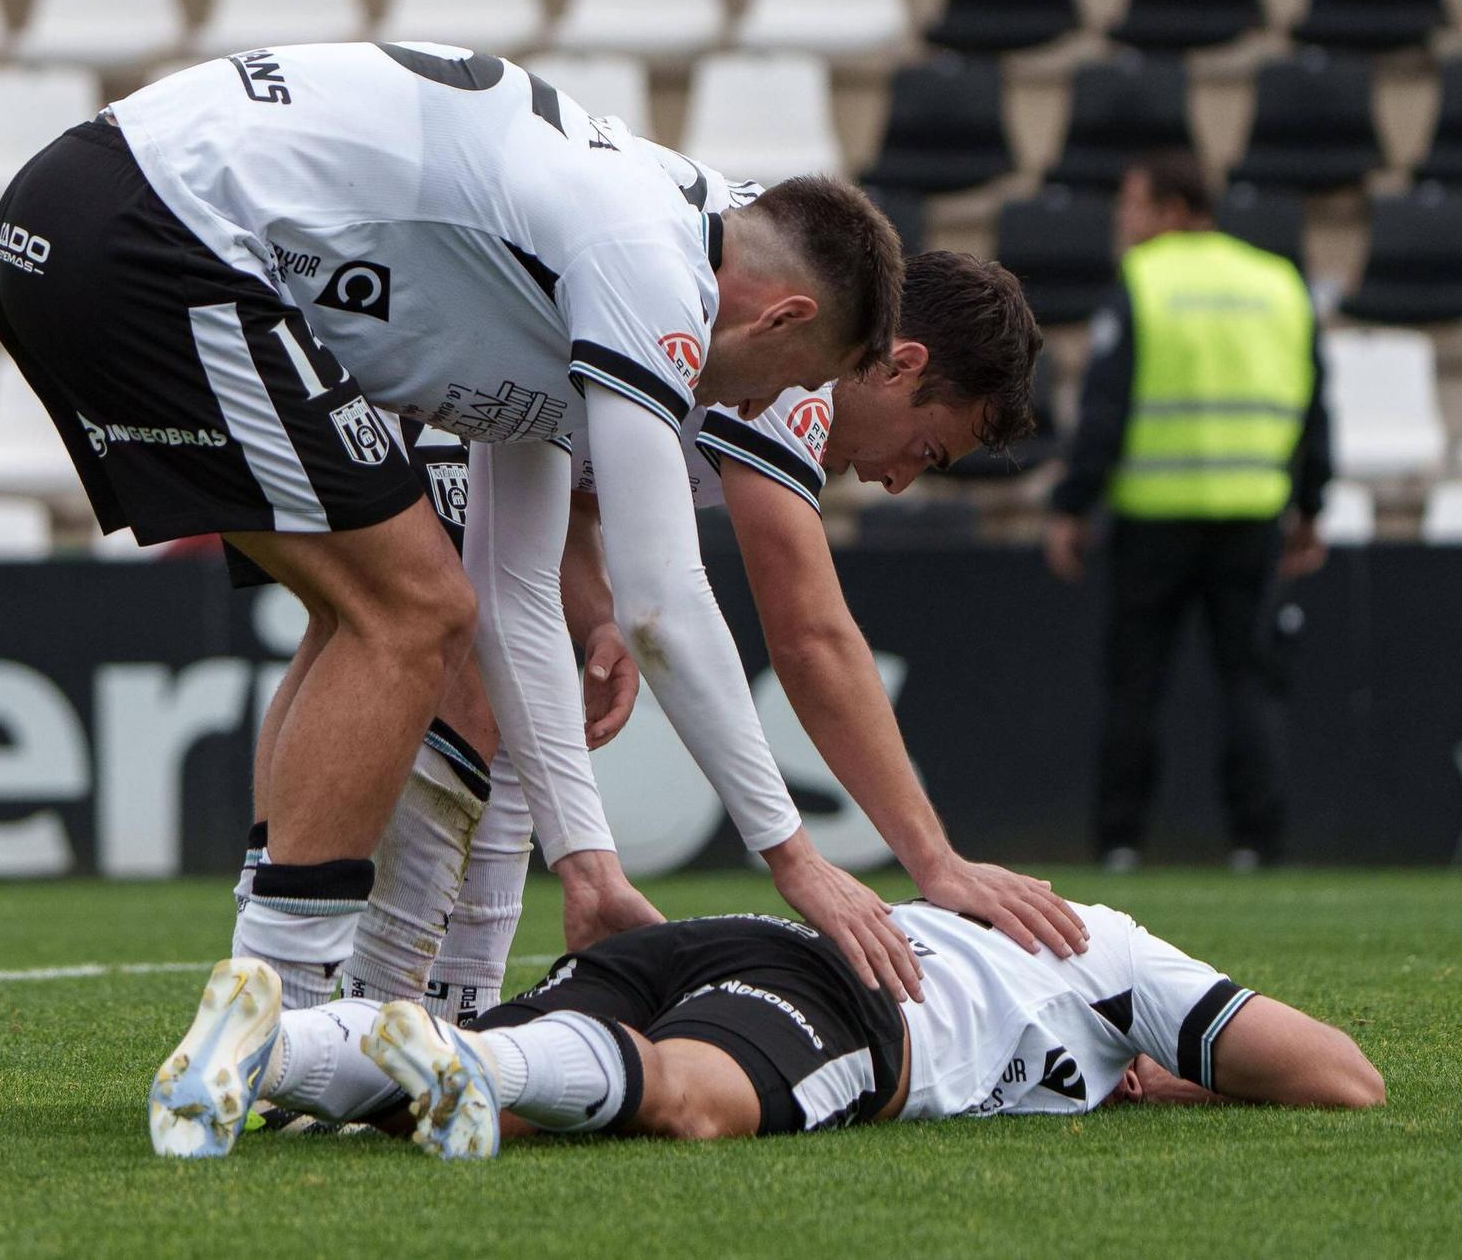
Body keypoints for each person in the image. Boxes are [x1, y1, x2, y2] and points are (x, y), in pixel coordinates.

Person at [0, 41, 915, 1011]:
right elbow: (660, 602)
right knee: (410, 610)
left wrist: (585, 861)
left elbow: (513, 599)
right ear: (780, 317)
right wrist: (793, 856)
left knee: (386, 609)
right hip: (153, 226)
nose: (773, 406)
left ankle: (281, 1002)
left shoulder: (592, 267)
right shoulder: (650, 264)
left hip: (85, 214)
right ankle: (282, 1016)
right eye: (796, 378)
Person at [266, 142, 1080, 1032]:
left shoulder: (761, 286)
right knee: (453, 667)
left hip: (436, 354)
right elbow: (809, 634)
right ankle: (362, 1017)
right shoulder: (808, 370)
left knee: (469, 689)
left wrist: (602, 604)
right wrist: (934, 861)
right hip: (418, 349)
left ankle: (397, 1019)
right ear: (900, 364)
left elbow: (565, 460)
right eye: (925, 449)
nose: (897, 482)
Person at [147, 897, 1382, 1159]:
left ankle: (275, 1052)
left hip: (690, 940)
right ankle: (461, 1057)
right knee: (693, 1100)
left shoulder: (987, 911)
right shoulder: (1107, 950)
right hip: (851, 994)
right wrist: (1177, 1082)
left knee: (531, 1110)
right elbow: (1341, 1081)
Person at [1043, 150, 1333, 872]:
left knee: (1136, 684)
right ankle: (1256, 843)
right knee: (1249, 683)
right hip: (1252, 515)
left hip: (1154, 517)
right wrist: (1310, 507)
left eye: (1134, 206)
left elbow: (1104, 411)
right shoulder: (1279, 283)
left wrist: (1072, 505)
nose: (1124, 222)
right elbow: (1313, 410)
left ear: (1175, 210)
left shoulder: (1145, 283)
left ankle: (1120, 841)